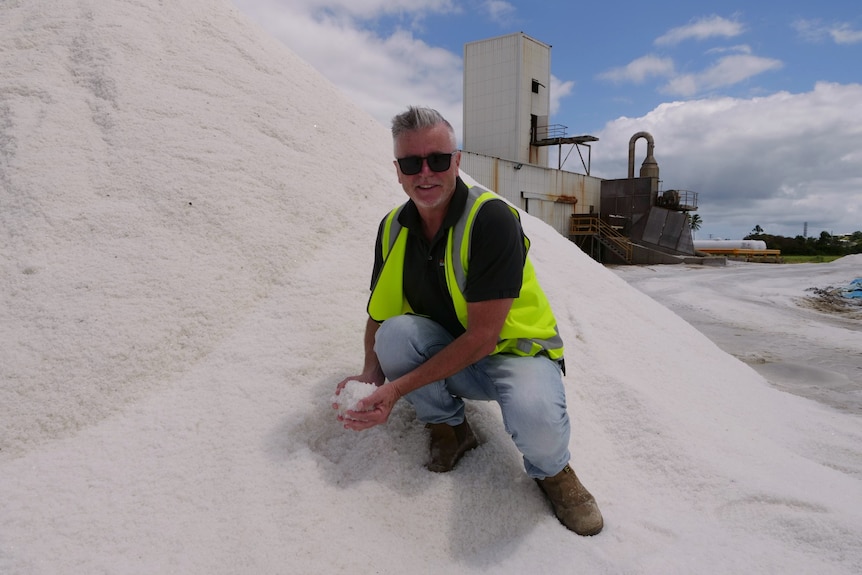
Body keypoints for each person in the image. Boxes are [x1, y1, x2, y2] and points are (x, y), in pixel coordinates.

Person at [334, 106, 603, 536]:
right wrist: (370, 373)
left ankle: (553, 473)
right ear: (398, 171)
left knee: (535, 414)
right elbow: (378, 313)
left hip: (516, 354)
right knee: (396, 336)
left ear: (457, 161)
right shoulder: (392, 228)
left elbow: (482, 338)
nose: (426, 173)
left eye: (438, 159)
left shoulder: (491, 219)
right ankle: (450, 429)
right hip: (452, 355)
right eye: (411, 163)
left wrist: (396, 390)